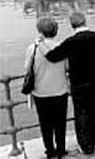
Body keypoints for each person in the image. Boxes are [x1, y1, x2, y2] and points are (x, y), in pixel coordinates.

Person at [40, 11, 95, 155]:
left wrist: (40, 44)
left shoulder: (71, 42)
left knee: (82, 114)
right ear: (85, 22)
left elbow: (52, 56)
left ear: (72, 25)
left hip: (79, 83)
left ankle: (86, 146)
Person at [24, 17, 69, 159]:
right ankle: (61, 149)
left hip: (40, 92)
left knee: (45, 124)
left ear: (40, 31)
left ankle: (50, 150)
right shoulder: (62, 46)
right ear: (56, 30)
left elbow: (27, 68)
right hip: (60, 90)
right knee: (60, 123)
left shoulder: (33, 48)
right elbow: (67, 67)